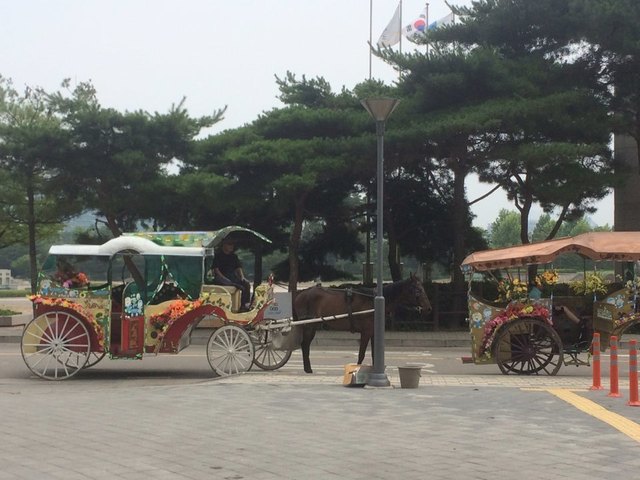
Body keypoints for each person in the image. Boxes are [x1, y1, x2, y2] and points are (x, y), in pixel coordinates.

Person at [211, 239, 252, 311]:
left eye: (232, 244)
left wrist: (242, 277)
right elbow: (216, 270)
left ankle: (245, 305)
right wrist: (224, 279)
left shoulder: (234, 256)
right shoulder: (218, 256)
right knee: (240, 287)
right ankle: (237, 307)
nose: (232, 246)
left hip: (232, 277)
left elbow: (238, 268)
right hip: (222, 278)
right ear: (224, 245)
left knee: (246, 284)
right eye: (229, 244)